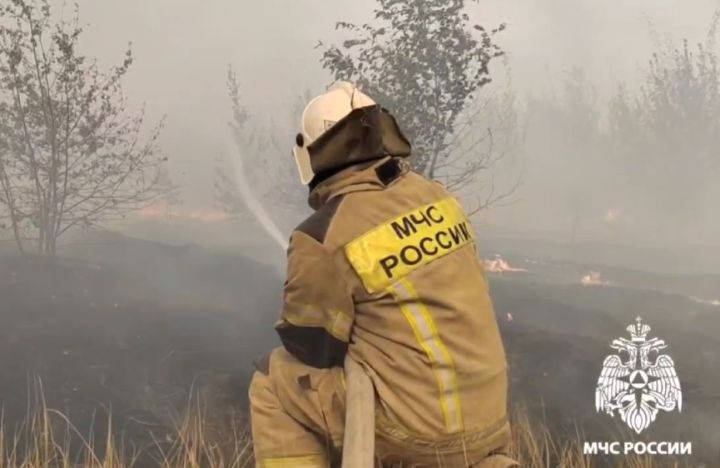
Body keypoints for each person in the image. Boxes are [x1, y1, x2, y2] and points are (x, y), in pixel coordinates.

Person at [248, 82, 517, 468]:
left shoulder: (322, 234)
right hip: (489, 418)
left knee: (272, 380)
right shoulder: (437, 196)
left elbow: (311, 345)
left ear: (312, 155)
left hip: (419, 432)